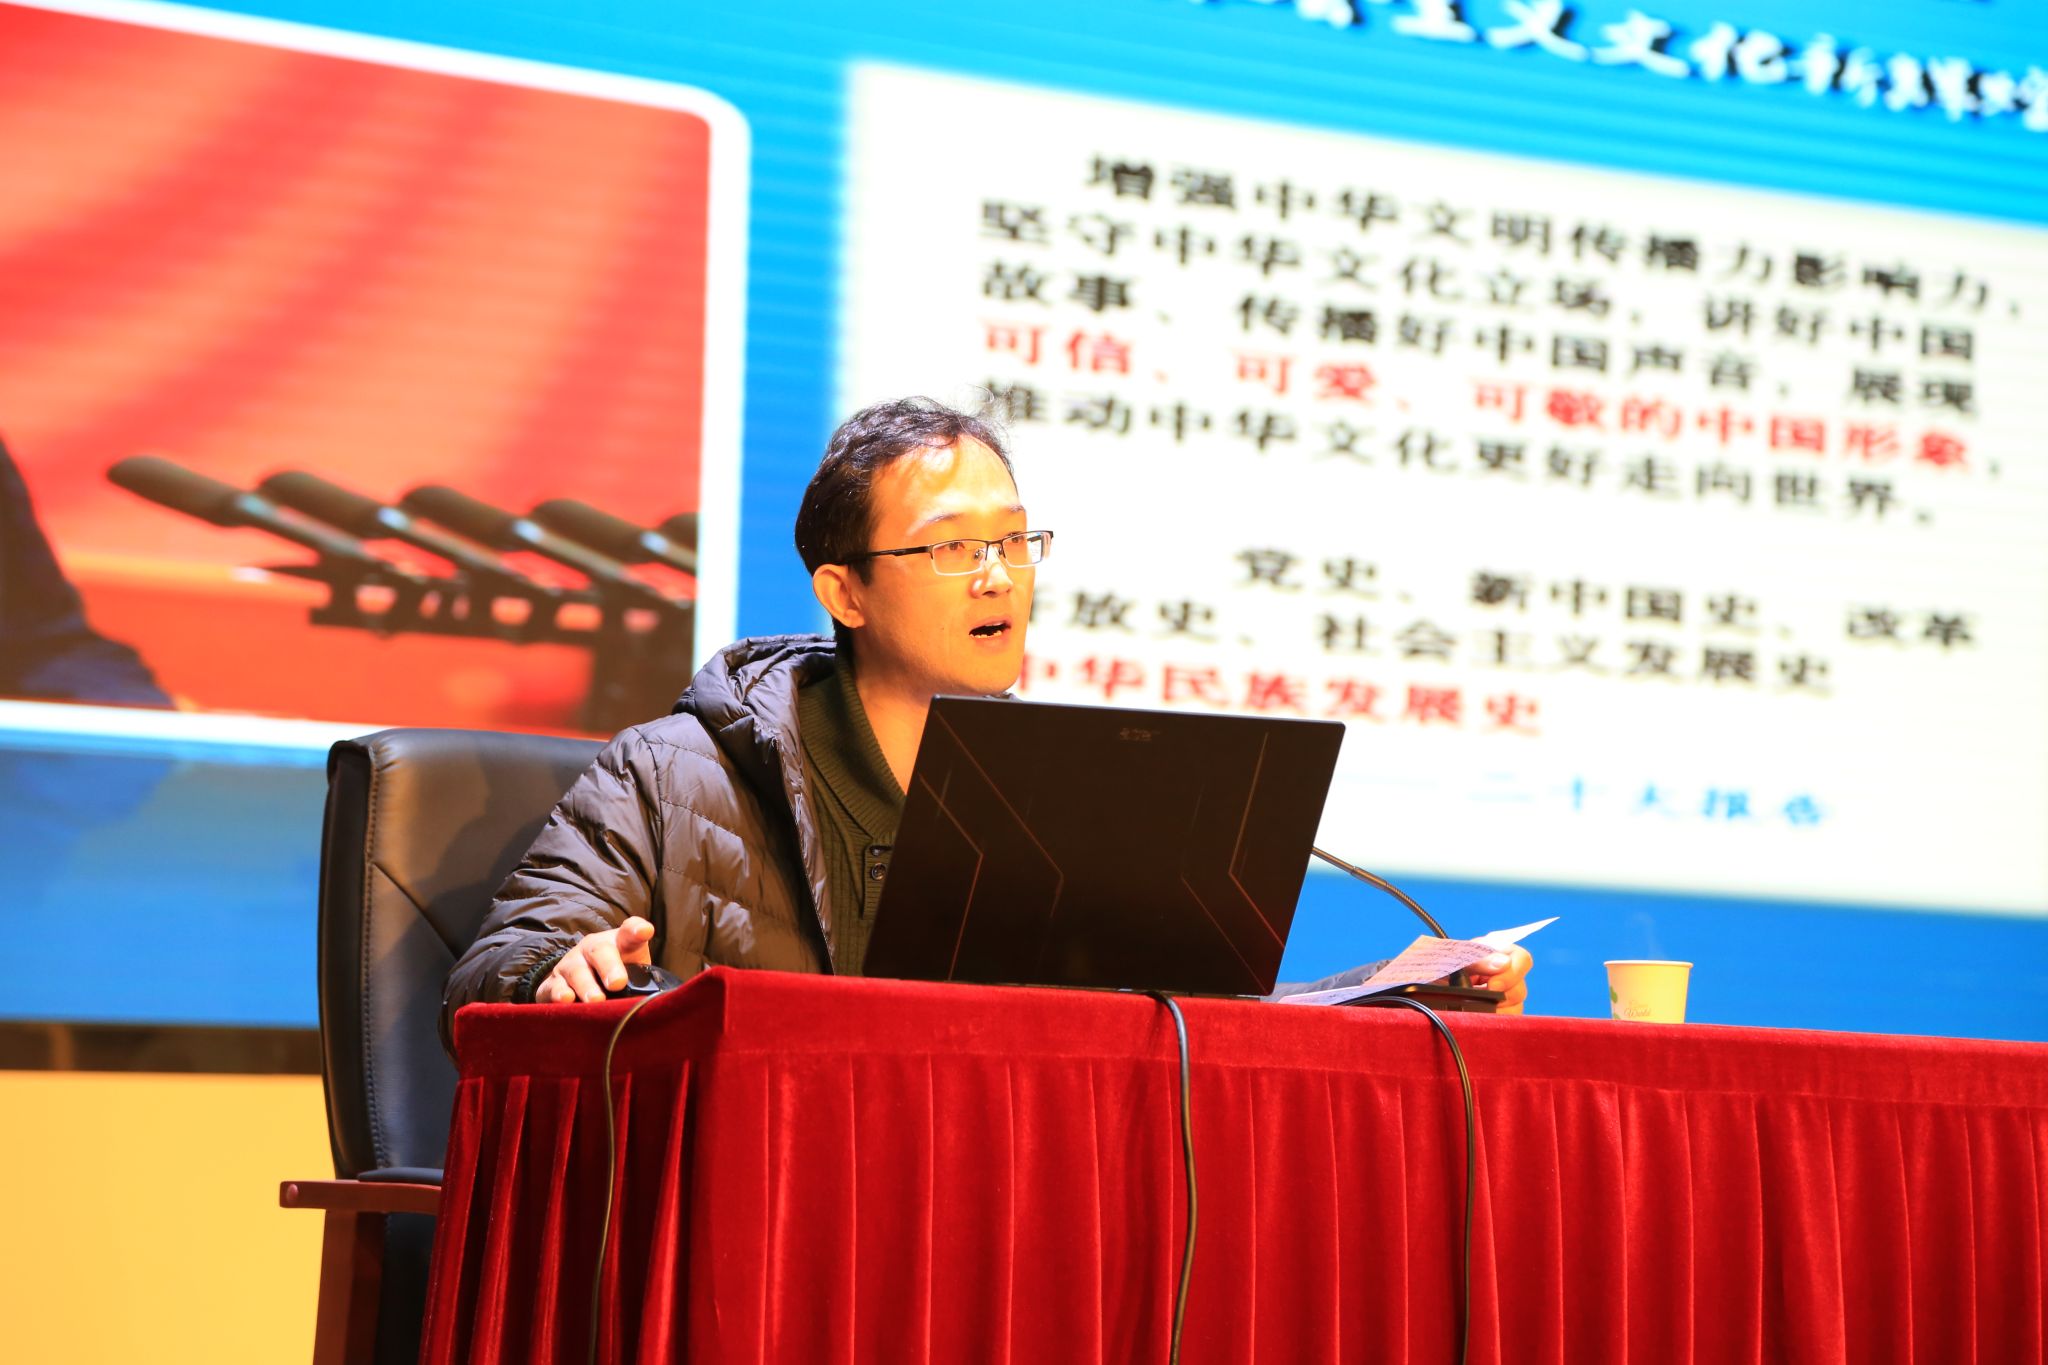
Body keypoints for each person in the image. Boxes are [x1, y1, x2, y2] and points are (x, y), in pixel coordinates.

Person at [442, 398, 1531, 1043]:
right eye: (953, 547)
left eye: (1014, 541)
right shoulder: (674, 773)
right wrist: (561, 972)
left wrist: (1397, 994)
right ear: (844, 592)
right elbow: (501, 963)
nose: (998, 575)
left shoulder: (1079, 790)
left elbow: (1183, 1024)